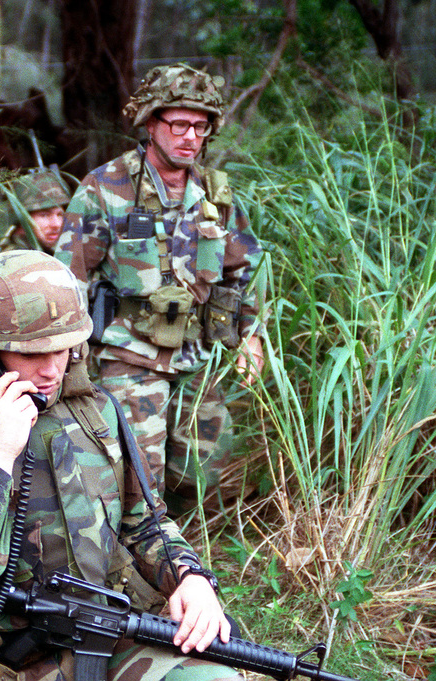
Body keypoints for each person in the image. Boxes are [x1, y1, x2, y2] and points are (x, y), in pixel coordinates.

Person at [0, 250, 240, 681]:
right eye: (32, 353)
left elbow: (144, 523)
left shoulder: (93, 408)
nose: (52, 369)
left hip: (99, 635)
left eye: (64, 348)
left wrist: (189, 577)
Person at [53, 63, 265, 514]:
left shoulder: (216, 194)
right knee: (137, 479)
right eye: (180, 124)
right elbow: (68, 278)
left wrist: (252, 336)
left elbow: (245, 269)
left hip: (197, 357)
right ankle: (134, 567)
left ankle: (186, 560)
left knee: (205, 473)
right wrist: (65, 356)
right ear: (151, 123)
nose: (191, 137)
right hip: (130, 356)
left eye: (201, 126)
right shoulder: (105, 188)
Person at [0, 171, 72, 254]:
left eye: (59, 214)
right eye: (44, 215)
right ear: (21, 220)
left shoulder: (48, 250)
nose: (56, 224)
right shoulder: (16, 258)